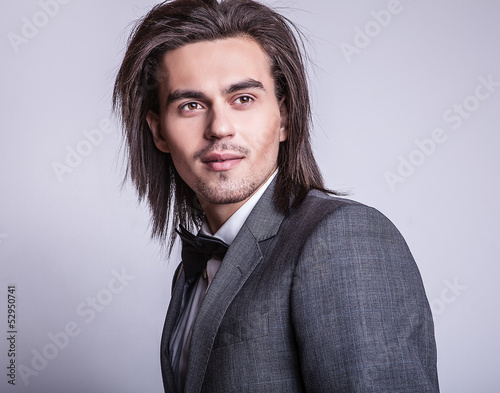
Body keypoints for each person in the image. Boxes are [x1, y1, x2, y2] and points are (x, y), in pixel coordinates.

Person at [113, 0, 439, 391]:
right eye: (192, 105)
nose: (219, 128)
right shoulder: (190, 271)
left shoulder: (343, 238)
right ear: (158, 132)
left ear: (283, 117)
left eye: (243, 99)